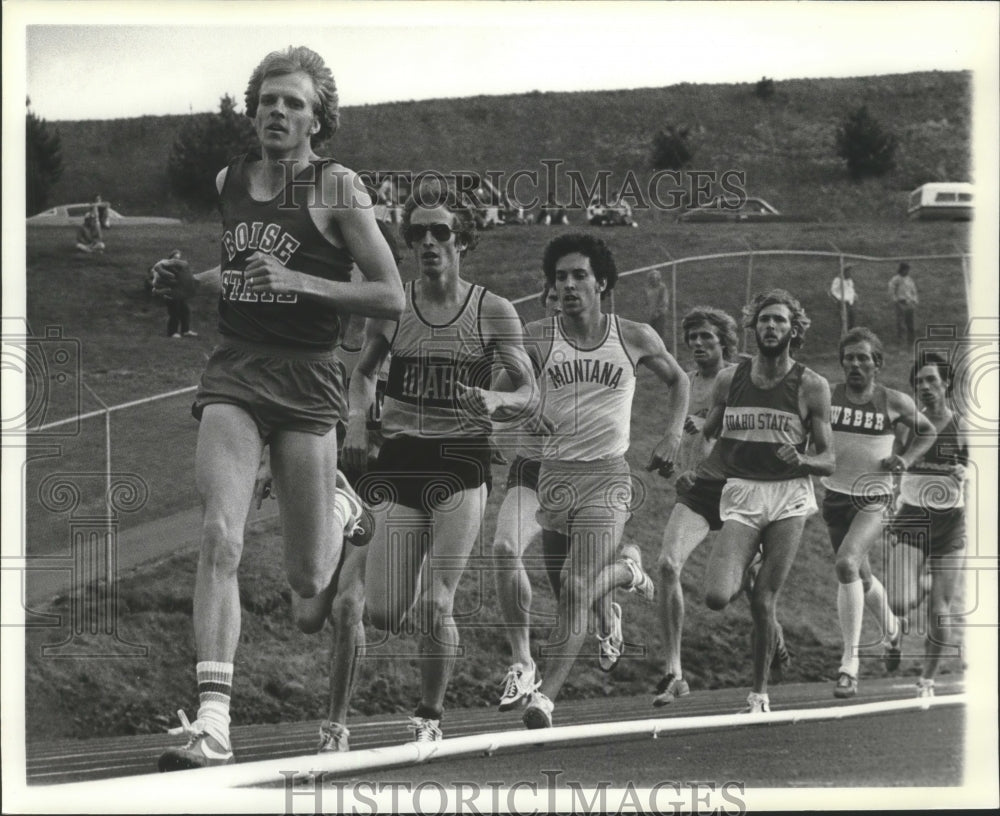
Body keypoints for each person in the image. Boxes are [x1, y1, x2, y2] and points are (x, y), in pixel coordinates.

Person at [154, 46, 405, 772]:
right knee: (219, 536)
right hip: (235, 371)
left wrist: (300, 280)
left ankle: (340, 508)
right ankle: (214, 718)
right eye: (268, 99)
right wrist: (196, 285)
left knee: (305, 583)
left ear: (317, 118)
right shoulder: (231, 179)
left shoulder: (339, 188)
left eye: (293, 102)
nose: (277, 111)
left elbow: (389, 295)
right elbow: (243, 270)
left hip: (308, 381)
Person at [342, 182, 540, 744]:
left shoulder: (493, 311)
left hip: (461, 459)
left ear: (464, 241)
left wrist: (498, 400)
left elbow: (528, 391)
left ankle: (429, 716)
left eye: (441, 231)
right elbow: (361, 374)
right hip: (403, 459)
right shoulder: (393, 306)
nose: (428, 242)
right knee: (382, 613)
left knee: (436, 601)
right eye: (417, 233)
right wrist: (358, 420)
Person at [520, 233, 689, 729]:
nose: (568, 285)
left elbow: (679, 381)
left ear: (602, 283)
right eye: (560, 277)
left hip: (607, 479)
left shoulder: (633, 336)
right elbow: (508, 384)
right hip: (555, 479)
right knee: (567, 589)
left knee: (574, 586)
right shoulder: (535, 337)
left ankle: (544, 700)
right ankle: (626, 576)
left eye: (579, 276)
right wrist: (524, 406)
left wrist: (674, 434)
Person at [702, 289, 834, 714]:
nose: (771, 327)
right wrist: (697, 466)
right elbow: (708, 432)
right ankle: (753, 572)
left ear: (794, 330)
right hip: (741, 492)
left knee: (762, 600)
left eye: (779, 320)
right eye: (764, 320)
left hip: (788, 498)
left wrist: (803, 458)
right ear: (752, 327)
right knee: (717, 596)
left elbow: (829, 459)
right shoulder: (730, 379)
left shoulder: (812, 385)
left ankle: (759, 695)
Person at [820, 328, 937, 698]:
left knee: (846, 565)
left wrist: (904, 458)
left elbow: (927, 431)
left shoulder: (893, 400)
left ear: (877, 364)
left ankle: (849, 665)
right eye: (849, 357)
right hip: (834, 497)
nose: (855, 364)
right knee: (862, 577)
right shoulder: (827, 394)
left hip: (875, 498)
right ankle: (891, 630)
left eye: (863, 358)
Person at [651, 306, 739, 706]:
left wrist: (708, 426)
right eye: (692, 338)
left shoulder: (742, 378)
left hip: (742, 491)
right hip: (699, 492)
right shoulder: (683, 384)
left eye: (706, 336)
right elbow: (670, 445)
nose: (698, 344)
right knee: (668, 565)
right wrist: (675, 474)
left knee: (751, 588)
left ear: (724, 340)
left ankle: (774, 638)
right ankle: (674, 672)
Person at [886, 352, 968, 698]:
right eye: (919, 382)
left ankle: (928, 678)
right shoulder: (908, 425)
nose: (925, 387)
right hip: (912, 518)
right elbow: (892, 463)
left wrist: (967, 471)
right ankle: (912, 599)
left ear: (946, 383)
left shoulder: (962, 425)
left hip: (951, 523)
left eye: (932, 379)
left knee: (941, 609)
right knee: (900, 602)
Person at [153, 249, 199, 338]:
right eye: (175, 258)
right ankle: (172, 332)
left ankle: (185, 330)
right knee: (174, 313)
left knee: (185, 311)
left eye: (178, 258)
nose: (177, 260)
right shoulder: (165, 268)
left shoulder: (180, 269)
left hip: (180, 294)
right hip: (171, 295)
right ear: (170, 259)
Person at [888, 262, 918, 346]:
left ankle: (911, 341)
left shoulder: (909, 279)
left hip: (909, 303)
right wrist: (895, 301)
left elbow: (914, 290)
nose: (907, 272)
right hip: (901, 302)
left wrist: (914, 300)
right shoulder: (896, 279)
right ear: (901, 270)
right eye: (905, 270)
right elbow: (891, 290)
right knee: (900, 323)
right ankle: (900, 341)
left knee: (910, 323)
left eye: (908, 270)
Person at [644, 270, 670, 345]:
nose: (654, 280)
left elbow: (664, 301)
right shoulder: (648, 288)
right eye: (652, 279)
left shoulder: (662, 288)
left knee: (659, 333)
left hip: (660, 314)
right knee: (651, 334)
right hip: (651, 315)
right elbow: (646, 301)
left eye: (655, 278)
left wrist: (658, 312)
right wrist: (648, 311)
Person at [829, 265, 857, 331]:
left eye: (850, 272)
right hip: (843, 302)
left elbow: (851, 289)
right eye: (848, 272)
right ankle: (844, 330)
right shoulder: (838, 280)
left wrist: (854, 295)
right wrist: (840, 299)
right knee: (844, 318)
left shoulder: (849, 280)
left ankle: (850, 330)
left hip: (850, 302)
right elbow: (833, 291)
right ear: (844, 272)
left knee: (851, 317)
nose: (850, 273)